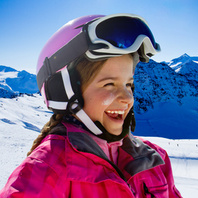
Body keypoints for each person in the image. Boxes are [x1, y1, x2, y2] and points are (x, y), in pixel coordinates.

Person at [0, 14, 181, 197]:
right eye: (109, 84)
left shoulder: (155, 161)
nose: (127, 98)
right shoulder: (46, 170)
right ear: (65, 91)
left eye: (129, 85)